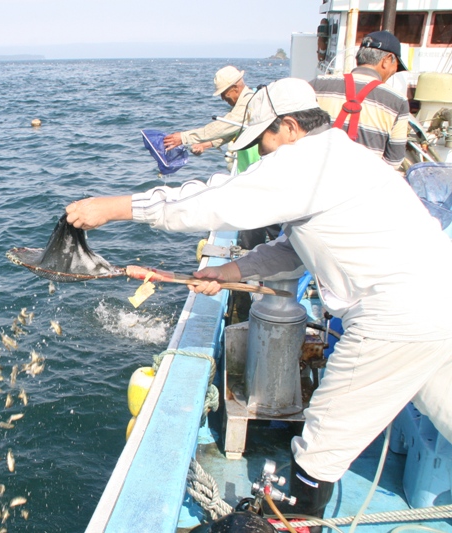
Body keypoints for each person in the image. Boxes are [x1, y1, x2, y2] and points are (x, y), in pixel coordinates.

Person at [66, 78, 452, 530]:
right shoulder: (343, 156)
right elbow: (292, 248)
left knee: (324, 438)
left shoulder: (308, 161)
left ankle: (291, 519)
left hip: (394, 316)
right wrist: (229, 273)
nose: (262, 154)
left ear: (288, 127)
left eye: (263, 141)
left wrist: (117, 207)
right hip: (437, 303)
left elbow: (213, 203)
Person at [310, 30, 410, 168]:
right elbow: (393, 161)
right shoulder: (398, 101)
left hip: (314, 176)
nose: (393, 72)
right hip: (363, 185)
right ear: (387, 60)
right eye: (396, 66)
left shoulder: (318, 84)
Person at [162, 66, 254, 155]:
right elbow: (231, 131)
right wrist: (204, 145)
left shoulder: (248, 102)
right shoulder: (245, 100)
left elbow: (223, 127)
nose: (222, 98)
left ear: (235, 88)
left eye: (223, 93)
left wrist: (183, 137)